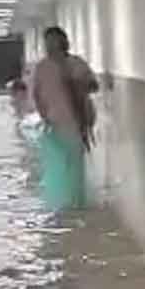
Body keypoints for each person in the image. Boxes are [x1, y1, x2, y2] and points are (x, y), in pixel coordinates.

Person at [30, 26, 98, 209]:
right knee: (59, 165)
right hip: (54, 123)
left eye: (53, 41)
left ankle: (77, 202)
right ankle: (63, 201)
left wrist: (81, 83)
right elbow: (36, 95)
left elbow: (94, 86)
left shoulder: (76, 63)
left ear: (63, 42)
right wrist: (44, 117)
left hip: (77, 122)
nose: (49, 45)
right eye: (47, 42)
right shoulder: (42, 68)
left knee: (75, 164)